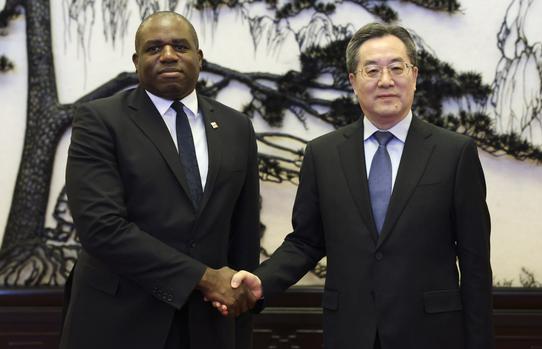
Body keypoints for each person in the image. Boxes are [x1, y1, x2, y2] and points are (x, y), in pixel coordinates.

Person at [219, 23, 494, 349]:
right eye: (372, 70)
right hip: (350, 331)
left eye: (397, 67)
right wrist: (261, 281)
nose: (386, 80)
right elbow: (306, 242)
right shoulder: (323, 154)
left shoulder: (454, 152)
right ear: (353, 81)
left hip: (431, 333)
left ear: (415, 75)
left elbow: (475, 262)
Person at [60, 11, 260, 349]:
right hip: (119, 323)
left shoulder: (237, 126)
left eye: (180, 46)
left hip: (210, 322)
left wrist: (239, 303)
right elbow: (101, 228)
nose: (168, 55)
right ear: (136, 62)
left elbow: (243, 230)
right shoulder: (99, 120)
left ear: (200, 58)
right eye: (154, 48)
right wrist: (205, 278)